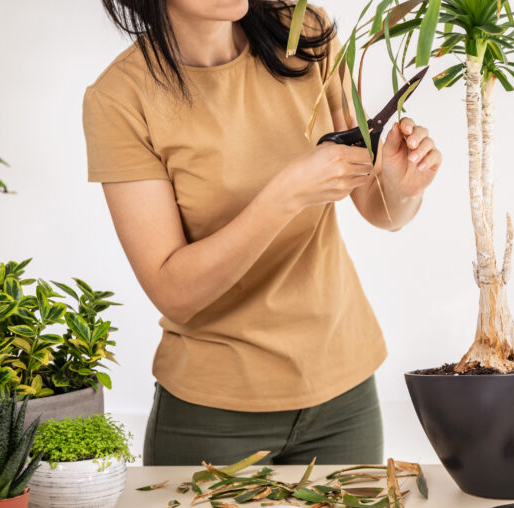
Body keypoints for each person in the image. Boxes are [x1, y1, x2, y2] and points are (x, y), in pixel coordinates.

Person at [84, 0, 442, 466]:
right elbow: (173, 290)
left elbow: (380, 209)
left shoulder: (305, 33)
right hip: (211, 414)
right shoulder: (120, 99)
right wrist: (285, 196)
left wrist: (401, 185)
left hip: (344, 395)